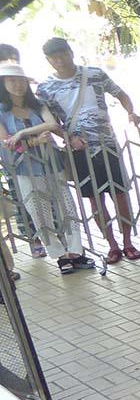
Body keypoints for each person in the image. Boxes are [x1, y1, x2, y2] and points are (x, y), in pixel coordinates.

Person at [36, 37, 140, 265]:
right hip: (79, 151)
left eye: (62, 54)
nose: (59, 60)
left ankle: (128, 242)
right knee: (95, 198)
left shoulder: (94, 74)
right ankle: (112, 245)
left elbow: (120, 94)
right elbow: (51, 122)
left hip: (108, 144)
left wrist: (131, 112)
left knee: (120, 193)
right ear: (48, 60)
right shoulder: (45, 88)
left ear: (71, 52)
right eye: (54, 57)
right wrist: (68, 138)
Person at [0, 62, 91, 273]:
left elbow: (52, 125)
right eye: (11, 80)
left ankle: (76, 252)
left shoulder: (38, 105)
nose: (17, 85)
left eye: (20, 80)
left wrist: (23, 133)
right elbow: (6, 142)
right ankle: (59, 255)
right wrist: (34, 141)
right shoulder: (2, 112)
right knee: (39, 213)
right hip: (25, 169)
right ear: (3, 84)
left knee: (67, 207)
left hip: (52, 164)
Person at [0, 43, 45, 260]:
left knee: (46, 194)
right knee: (22, 196)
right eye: (6, 60)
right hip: (13, 156)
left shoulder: (22, 86)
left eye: (14, 59)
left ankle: (53, 235)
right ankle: (33, 239)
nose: (11, 64)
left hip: (40, 153)